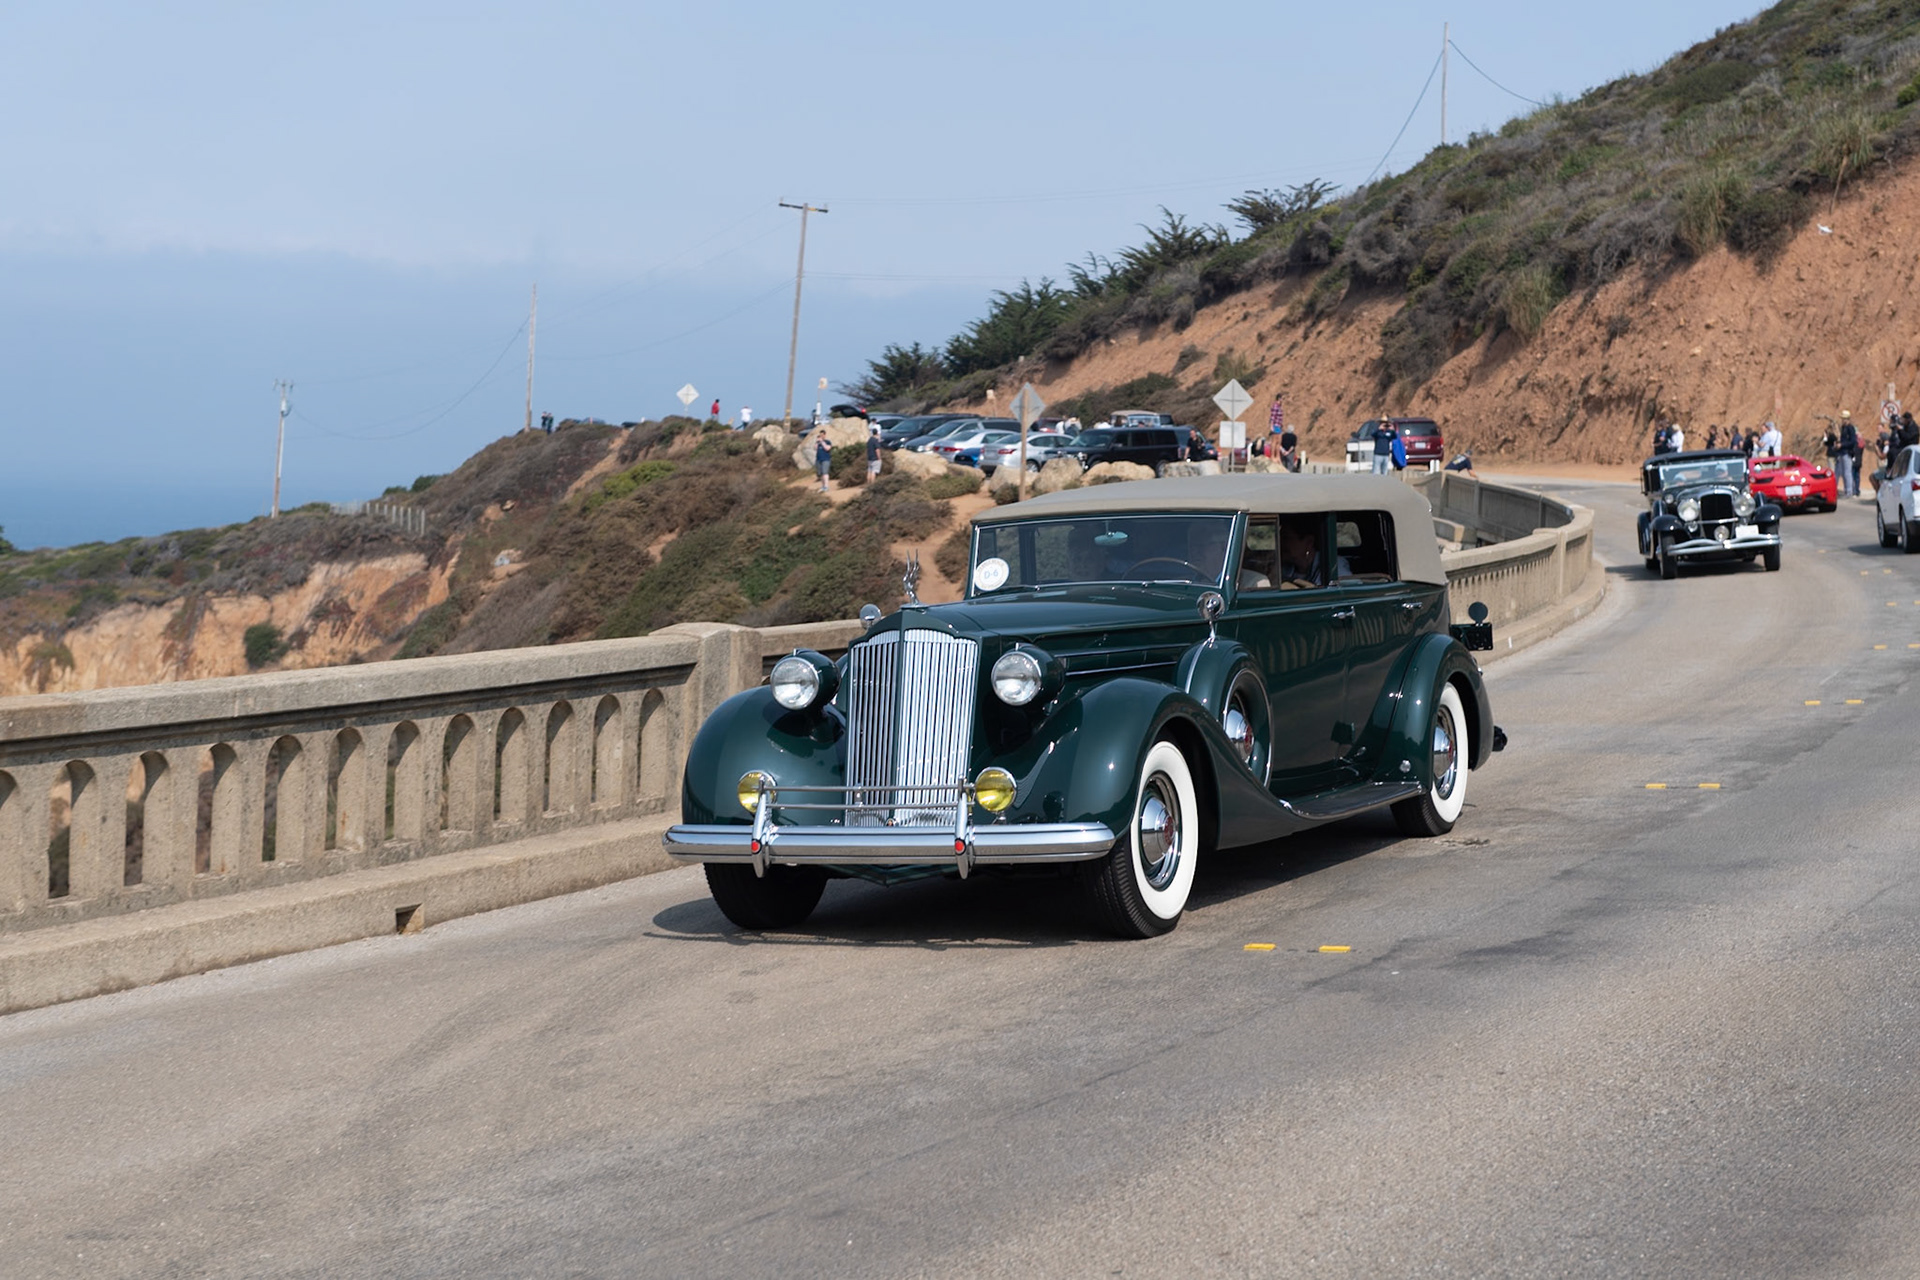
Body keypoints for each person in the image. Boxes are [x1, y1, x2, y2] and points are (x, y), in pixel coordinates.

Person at [1837, 409, 1861, 497]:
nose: (1842, 420)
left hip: (1847, 452)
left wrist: (1842, 444)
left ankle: (1849, 491)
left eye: (1844, 419)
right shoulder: (1843, 428)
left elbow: (1853, 441)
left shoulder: (1851, 428)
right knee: (1843, 473)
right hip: (1842, 452)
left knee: (1847, 472)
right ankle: (1846, 490)